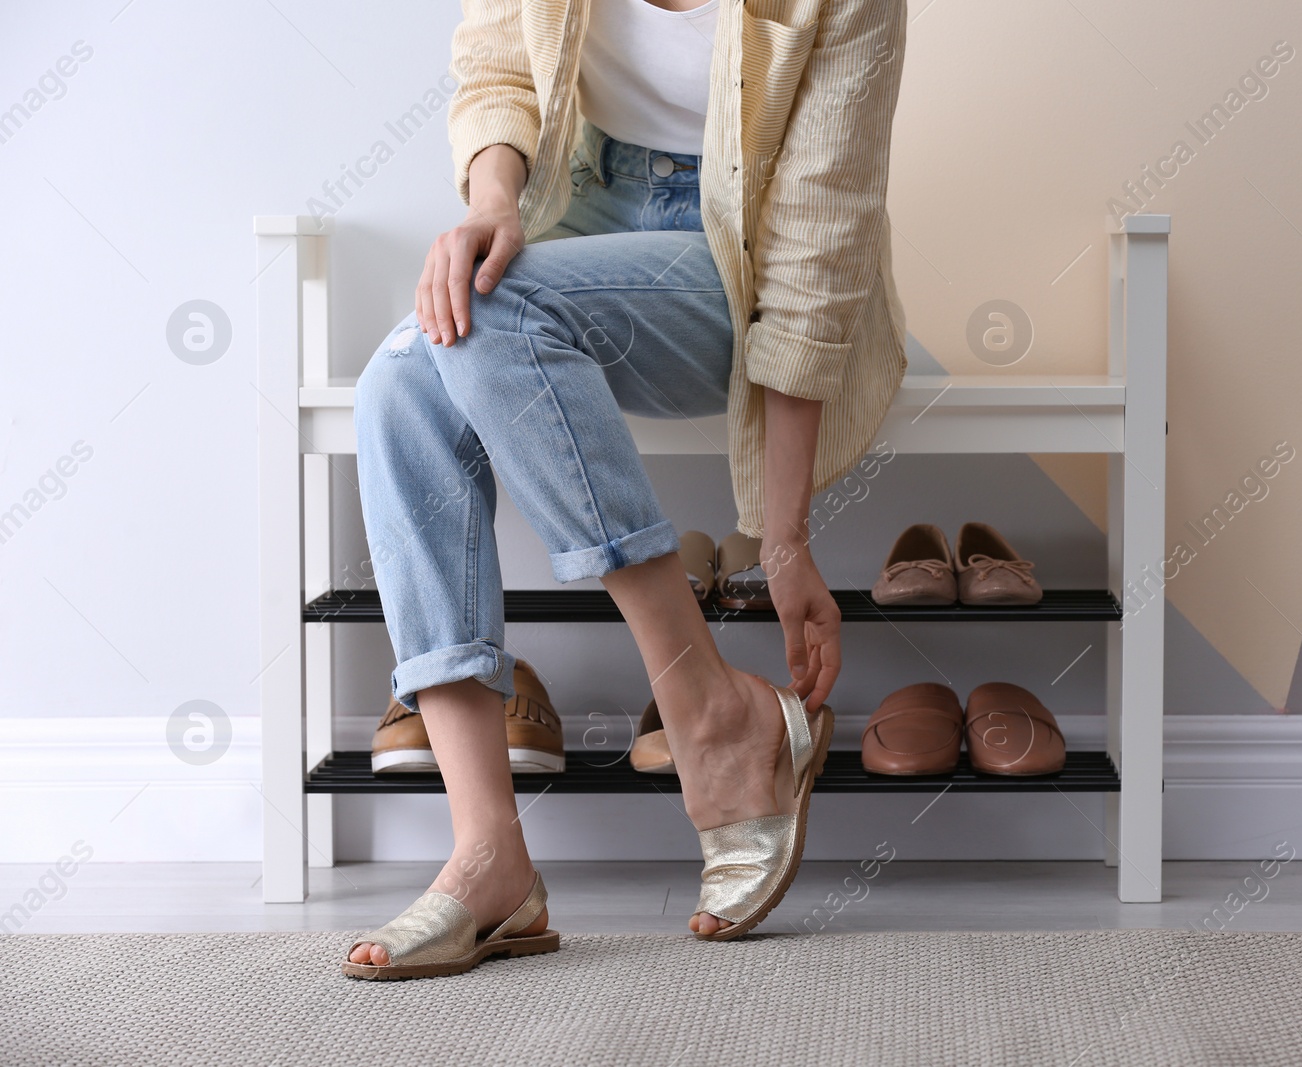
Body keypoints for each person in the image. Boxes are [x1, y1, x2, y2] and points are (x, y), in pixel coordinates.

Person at [342, 0, 906, 978]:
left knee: (493, 312)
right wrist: (492, 202)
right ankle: (489, 858)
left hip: (747, 255)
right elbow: (498, 72)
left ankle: (709, 709)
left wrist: (782, 539)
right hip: (584, 214)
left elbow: (817, 245)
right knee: (397, 380)